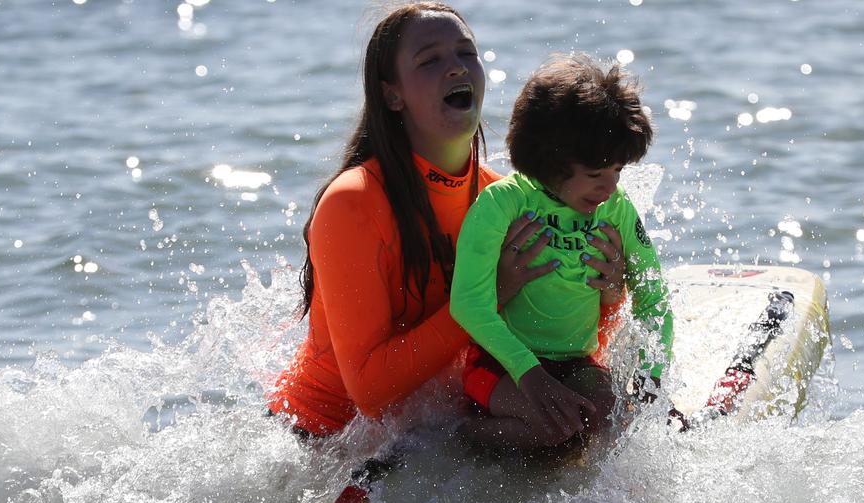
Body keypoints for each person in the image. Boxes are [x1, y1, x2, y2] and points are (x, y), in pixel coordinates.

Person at [268, 4, 626, 437]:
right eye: (430, 59)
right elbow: (371, 393)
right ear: (392, 94)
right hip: (321, 436)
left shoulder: (503, 199)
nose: (456, 68)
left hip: (431, 425)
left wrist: (608, 297)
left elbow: (560, 342)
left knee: (589, 418)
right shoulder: (353, 202)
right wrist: (488, 295)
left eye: (466, 53)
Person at [450, 55, 674, 448]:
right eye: (595, 175)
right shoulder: (501, 204)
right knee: (552, 429)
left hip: (577, 363)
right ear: (551, 160)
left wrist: (652, 378)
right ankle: (465, 436)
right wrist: (529, 374)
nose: (610, 187)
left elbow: (653, 296)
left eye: (618, 171)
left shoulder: (615, 208)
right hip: (498, 365)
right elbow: (467, 305)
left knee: (613, 421)